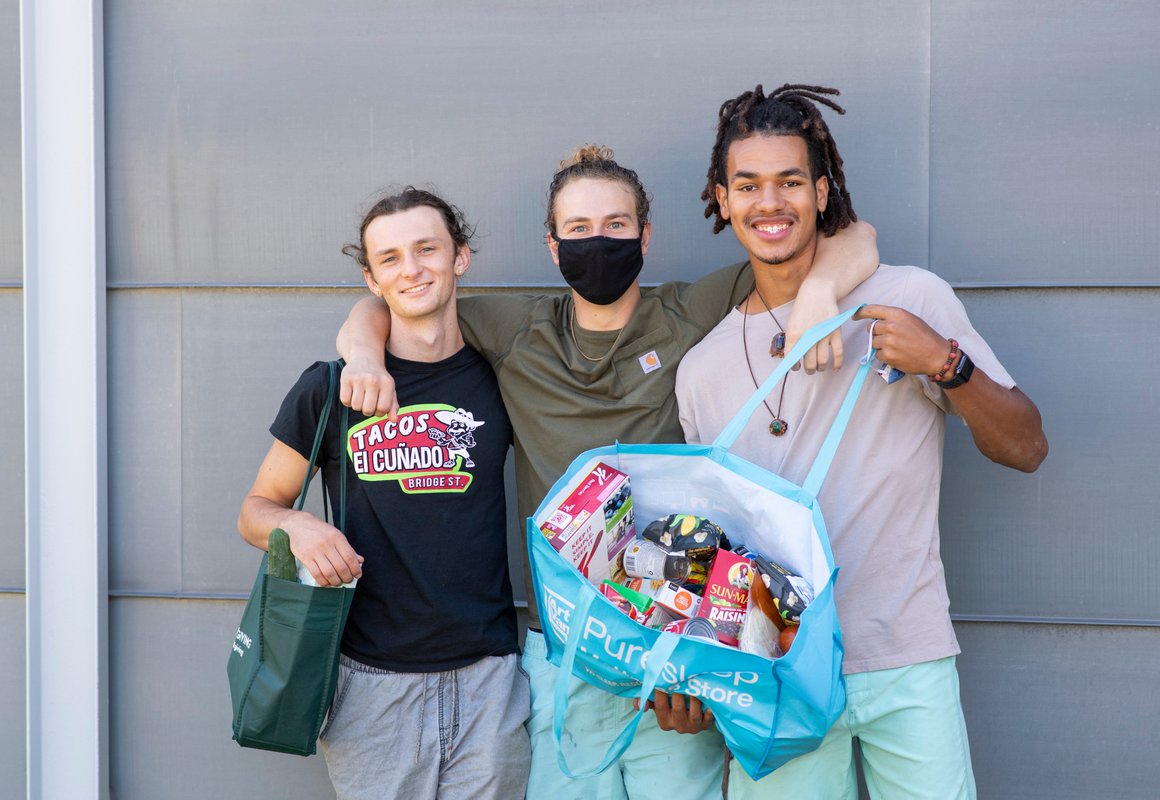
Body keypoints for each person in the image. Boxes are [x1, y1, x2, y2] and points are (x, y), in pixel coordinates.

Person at [336, 146, 879, 799]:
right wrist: (362, 352)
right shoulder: (516, 329)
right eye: (579, 229)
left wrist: (818, 291)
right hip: (565, 648)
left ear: (645, 236)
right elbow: (392, 305)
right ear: (553, 246)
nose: (598, 241)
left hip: (673, 646)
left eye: (616, 225)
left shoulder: (686, 312)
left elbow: (853, 239)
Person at [675, 83, 1049, 798]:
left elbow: (1026, 447)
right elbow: (716, 542)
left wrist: (945, 362)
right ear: (722, 200)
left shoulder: (908, 300)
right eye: (747, 185)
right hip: (774, 675)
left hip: (903, 657)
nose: (769, 202)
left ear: (822, 192)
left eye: (790, 181)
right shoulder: (701, 368)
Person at [237, 188, 530, 799]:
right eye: (390, 258)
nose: (411, 269)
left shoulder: (503, 377)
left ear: (461, 257)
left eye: (427, 249)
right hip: (369, 686)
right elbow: (255, 510)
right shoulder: (330, 389)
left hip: (488, 678)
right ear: (372, 280)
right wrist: (298, 526)